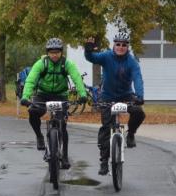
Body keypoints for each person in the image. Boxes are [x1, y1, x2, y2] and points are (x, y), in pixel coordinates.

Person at [20, 38, 87, 169]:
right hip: (42, 94)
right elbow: (31, 80)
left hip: (61, 95)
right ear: (48, 53)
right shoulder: (41, 63)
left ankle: (65, 156)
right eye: (52, 52)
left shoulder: (66, 64)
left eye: (57, 52)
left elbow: (76, 78)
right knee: (33, 111)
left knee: (62, 125)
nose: (54, 55)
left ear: (61, 52)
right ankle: (39, 136)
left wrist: (83, 94)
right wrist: (25, 97)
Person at [84, 32, 146, 176]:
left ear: (127, 47)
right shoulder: (106, 56)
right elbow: (92, 58)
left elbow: (137, 78)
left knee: (138, 112)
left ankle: (130, 134)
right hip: (107, 97)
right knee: (106, 128)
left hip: (126, 96)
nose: (120, 47)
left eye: (124, 45)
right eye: (118, 44)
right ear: (114, 45)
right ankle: (104, 162)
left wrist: (140, 96)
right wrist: (88, 50)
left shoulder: (132, 61)